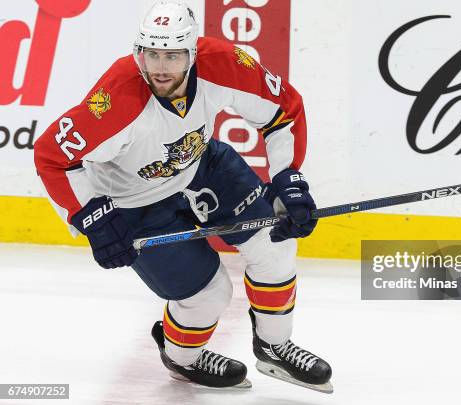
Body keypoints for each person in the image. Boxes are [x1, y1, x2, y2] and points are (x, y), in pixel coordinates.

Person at [33, 0, 332, 393]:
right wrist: (91, 216)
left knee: (274, 246)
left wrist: (288, 176)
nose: (159, 67)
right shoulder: (115, 100)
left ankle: (275, 346)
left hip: (200, 164)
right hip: (132, 201)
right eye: (151, 54)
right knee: (209, 295)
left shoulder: (224, 63)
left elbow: (283, 111)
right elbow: (52, 155)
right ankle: (183, 357)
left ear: (193, 52)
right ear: (138, 51)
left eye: (172, 56)